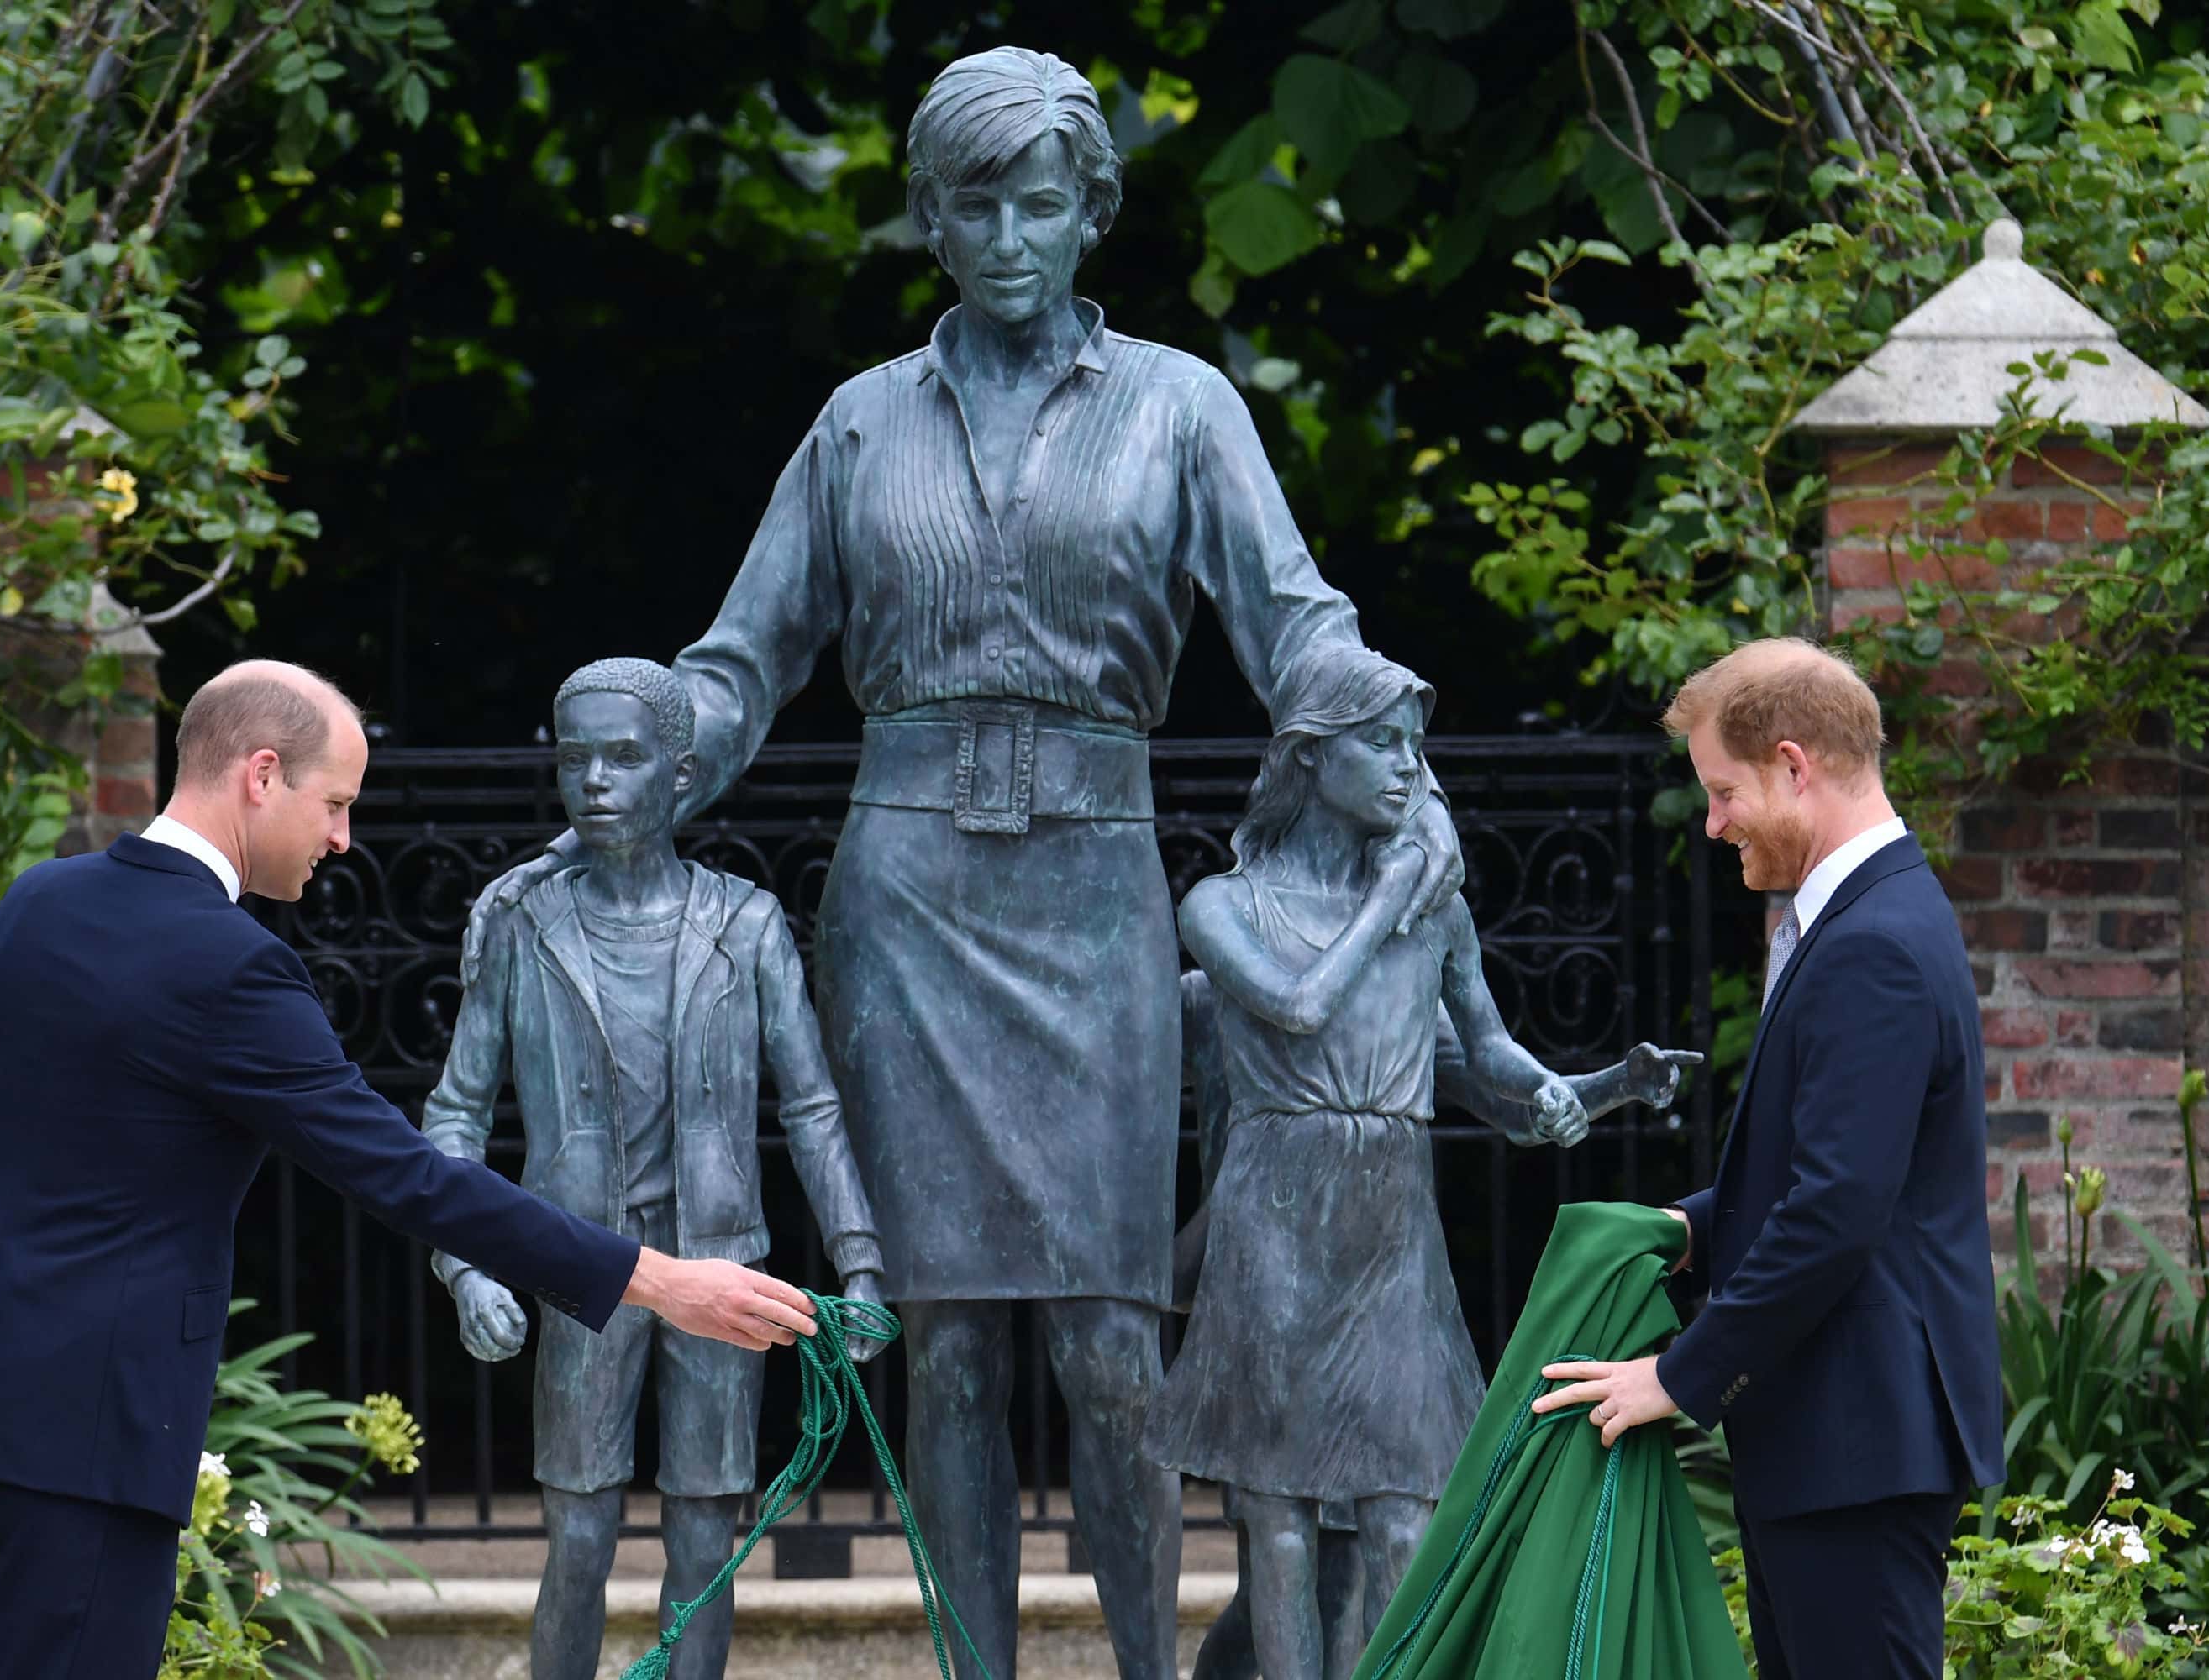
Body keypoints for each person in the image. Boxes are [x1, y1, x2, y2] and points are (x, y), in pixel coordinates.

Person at [471, 47, 1467, 1677]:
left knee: (1110, 1349)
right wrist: (650, 754)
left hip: (1095, 896)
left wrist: (1392, 765)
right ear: (931, 218)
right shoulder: (860, 423)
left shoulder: (1182, 408)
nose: (1009, 235)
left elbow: (1299, 626)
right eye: (975, 204)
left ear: (1094, 212)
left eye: (1041, 202)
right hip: (911, 903)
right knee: (945, 1352)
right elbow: (745, 656)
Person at [0, 660, 820, 1680]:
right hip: (100, 1427)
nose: (342, 837)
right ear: (261, 775)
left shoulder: (38, 902)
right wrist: (659, 1277)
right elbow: (408, 1174)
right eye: (334, 802)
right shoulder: (231, 964)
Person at [1144, 643, 1699, 1680]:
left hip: (1389, 1222)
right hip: (1274, 1218)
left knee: (1406, 1508)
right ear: (1309, 757)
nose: (1408, 767)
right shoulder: (1223, 905)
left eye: (1415, 745)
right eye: (1382, 741)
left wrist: (1604, 1086)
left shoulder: (1434, 912)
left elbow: (1490, 1065)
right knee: (1282, 1520)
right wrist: (1391, 889)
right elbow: (1301, 1008)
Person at [1529, 638, 2002, 1679]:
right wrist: (1687, 1228)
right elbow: (1819, 1167)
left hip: (1857, 1443)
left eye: (1723, 790)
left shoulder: (1872, 939)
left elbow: (1836, 1209)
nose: (1713, 822)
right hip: (1840, 1439)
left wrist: (1677, 1374)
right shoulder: (1868, 917)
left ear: (1795, 765)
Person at [422, 659, 886, 1680]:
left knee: (702, 1544)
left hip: (720, 1265)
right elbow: (455, 1114)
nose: (593, 781)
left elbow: (809, 1104)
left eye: (622, 758)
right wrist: (468, 1267)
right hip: (579, 1266)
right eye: (574, 757)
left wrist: (859, 1263)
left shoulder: (748, 923)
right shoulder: (522, 928)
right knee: (579, 1538)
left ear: (681, 775)